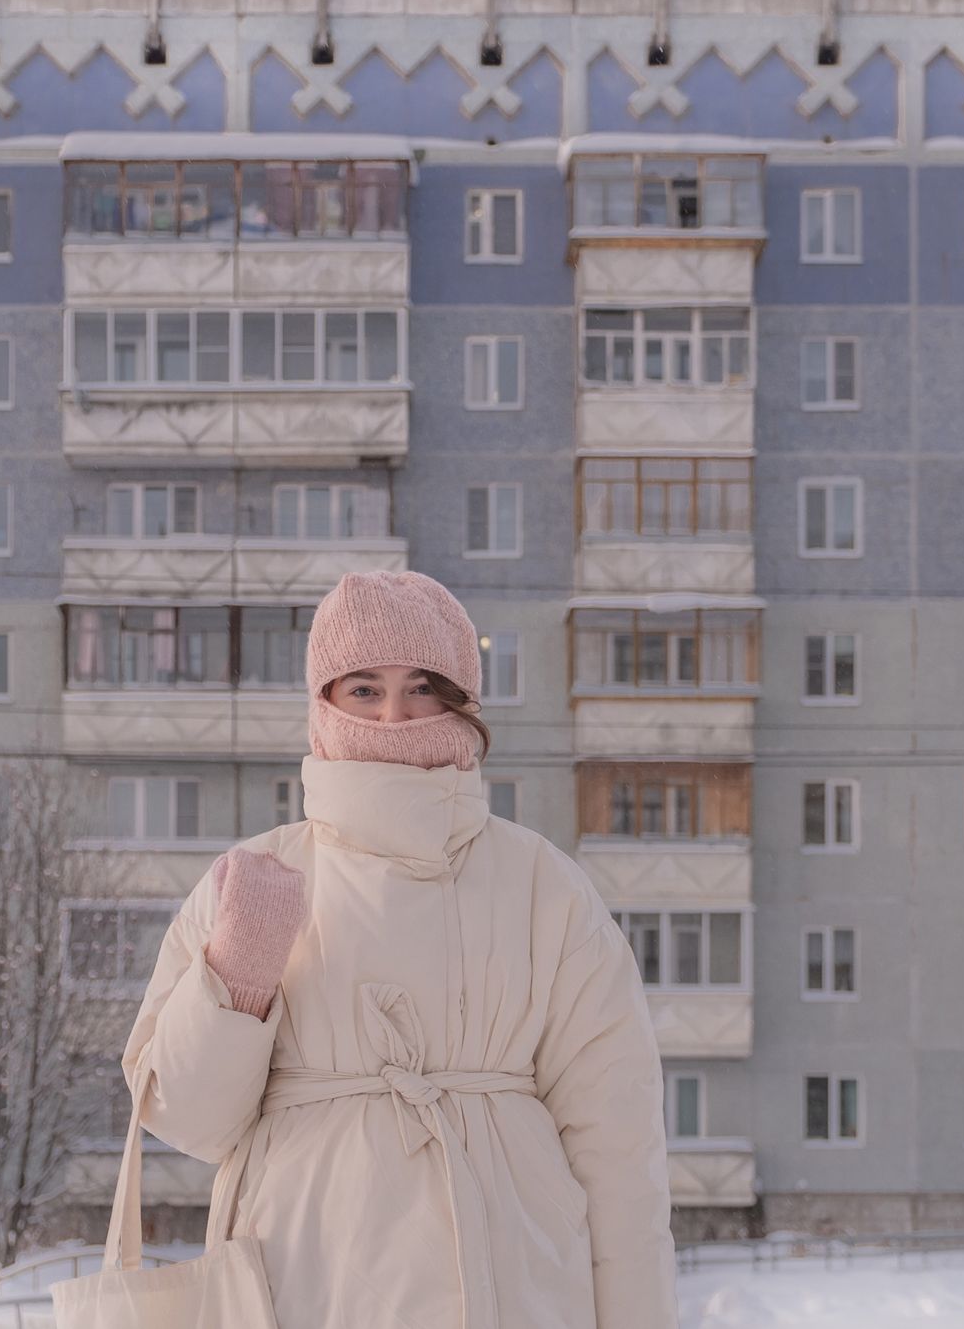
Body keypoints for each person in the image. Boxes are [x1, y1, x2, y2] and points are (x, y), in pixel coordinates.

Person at [121, 569, 677, 1329]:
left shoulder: (543, 884)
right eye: (364, 689)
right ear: (323, 701)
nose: (393, 715)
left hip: (514, 1280)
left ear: (461, 701)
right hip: (303, 1277)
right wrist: (236, 981)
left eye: (421, 687)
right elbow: (188, 1122)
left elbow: (619, 1149)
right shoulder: (256, 876)